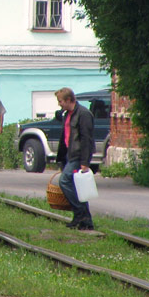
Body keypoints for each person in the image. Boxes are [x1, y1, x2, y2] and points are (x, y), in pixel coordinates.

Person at [55, 87, 96, 230]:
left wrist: (85, 162)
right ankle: (85, 220)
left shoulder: (83, 114)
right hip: (69, 154)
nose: (59, 104)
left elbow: (87, 139)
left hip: (78, 156)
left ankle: (79, 214)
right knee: (79, 188)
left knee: (64, 181)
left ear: (68, 100)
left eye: (60, 101)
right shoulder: (68, 114)